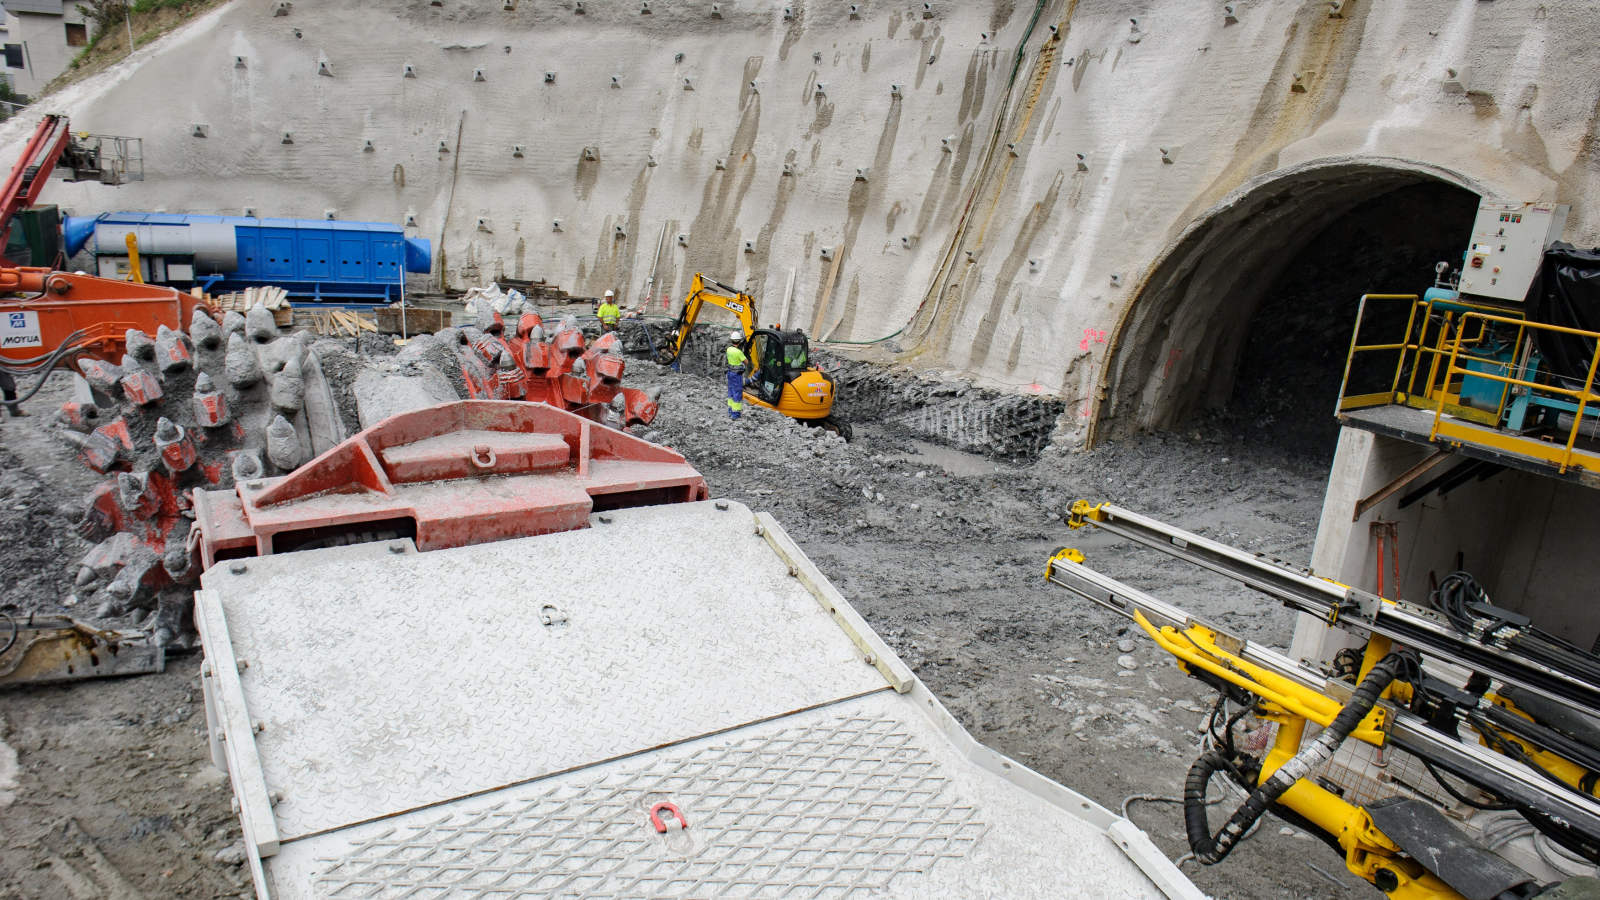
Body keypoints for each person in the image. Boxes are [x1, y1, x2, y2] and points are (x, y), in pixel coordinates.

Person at [725, 334, 747, 420]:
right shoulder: (739, 352)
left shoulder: (728, 349)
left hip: (730, 372)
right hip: (737, 375)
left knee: (731, 390)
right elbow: (746, 362)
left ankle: (730, 410)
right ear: (739, 341)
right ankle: (736, 414)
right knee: (737, 392)